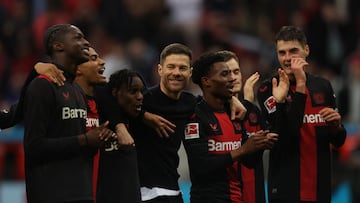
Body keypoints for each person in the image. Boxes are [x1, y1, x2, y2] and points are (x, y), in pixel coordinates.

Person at [22, 24, 113, 203]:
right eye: (77, 38)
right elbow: (33, 147)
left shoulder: (76, 90)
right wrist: (85, 140)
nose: (86, 42)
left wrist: (97, 139)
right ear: (58, 46)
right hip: (51, 195)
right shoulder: (42, 86)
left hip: (82, 195)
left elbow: (75, 144)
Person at [257, 25, 347, 203]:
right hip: (286, 190)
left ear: (306, 50)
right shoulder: (269, 89)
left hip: (319, 189)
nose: (288, 58)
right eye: (282, 53)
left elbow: (338, 141)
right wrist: (300, 86)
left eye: (293, 51)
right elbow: (287, 135)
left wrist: (336, 127)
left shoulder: (323, 86)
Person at [183, 51, 278, 203]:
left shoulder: (235, 113)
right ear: (207, 81)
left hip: (237, 198)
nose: (231, 79)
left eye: (233, 73)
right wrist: (244, 149)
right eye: (224, 74)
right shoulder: (195, 117)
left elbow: (249, 162)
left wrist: (259, 145)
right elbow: (201, 166)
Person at [217, 50, 266, 203]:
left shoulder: (255, 113)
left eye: (236, 71)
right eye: (226, 73)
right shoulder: (214, 113)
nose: (233, 77)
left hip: (255, 195)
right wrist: (247, 104)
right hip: (226, 196)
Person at [95, 69, 147, 203]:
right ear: (115, 92)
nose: (140, 96)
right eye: (133, 91)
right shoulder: (100, 124)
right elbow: (101, 91)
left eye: (141, 91)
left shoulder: (136, 121)